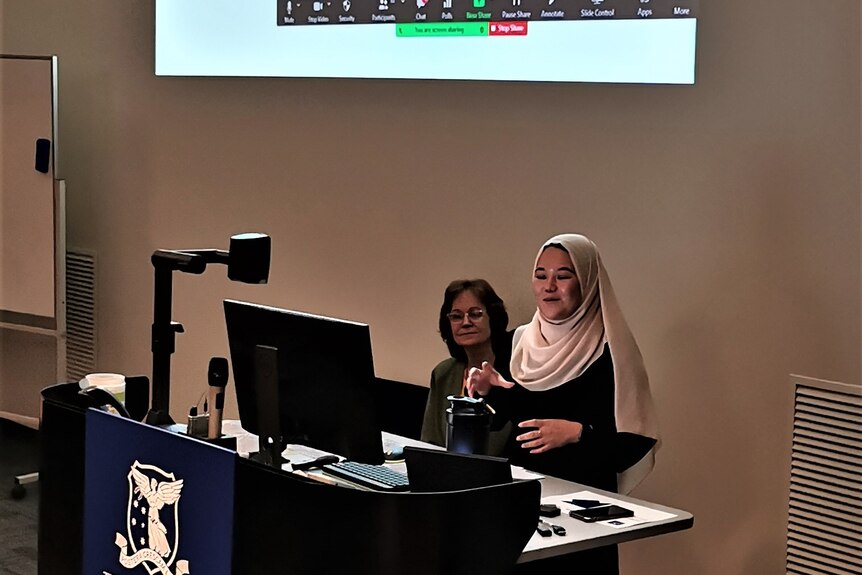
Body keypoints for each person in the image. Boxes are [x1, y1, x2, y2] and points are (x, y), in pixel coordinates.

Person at [467, 234, 659, 574]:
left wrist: (578, 434)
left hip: (583, 515)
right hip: (523, 501)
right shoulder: (520, 340)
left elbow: (634, 443)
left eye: (564, 275)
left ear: (586, 281)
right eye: (541, 275)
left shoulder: (612, 352)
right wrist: (489, 392)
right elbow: (521, 416)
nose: (549, 286)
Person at [420, 279, 513, 455]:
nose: (466, 322)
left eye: (475, 314)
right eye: (456, 316)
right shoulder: (443, 373)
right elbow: (429, 442)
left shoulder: (512, 372)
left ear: (493, 318)